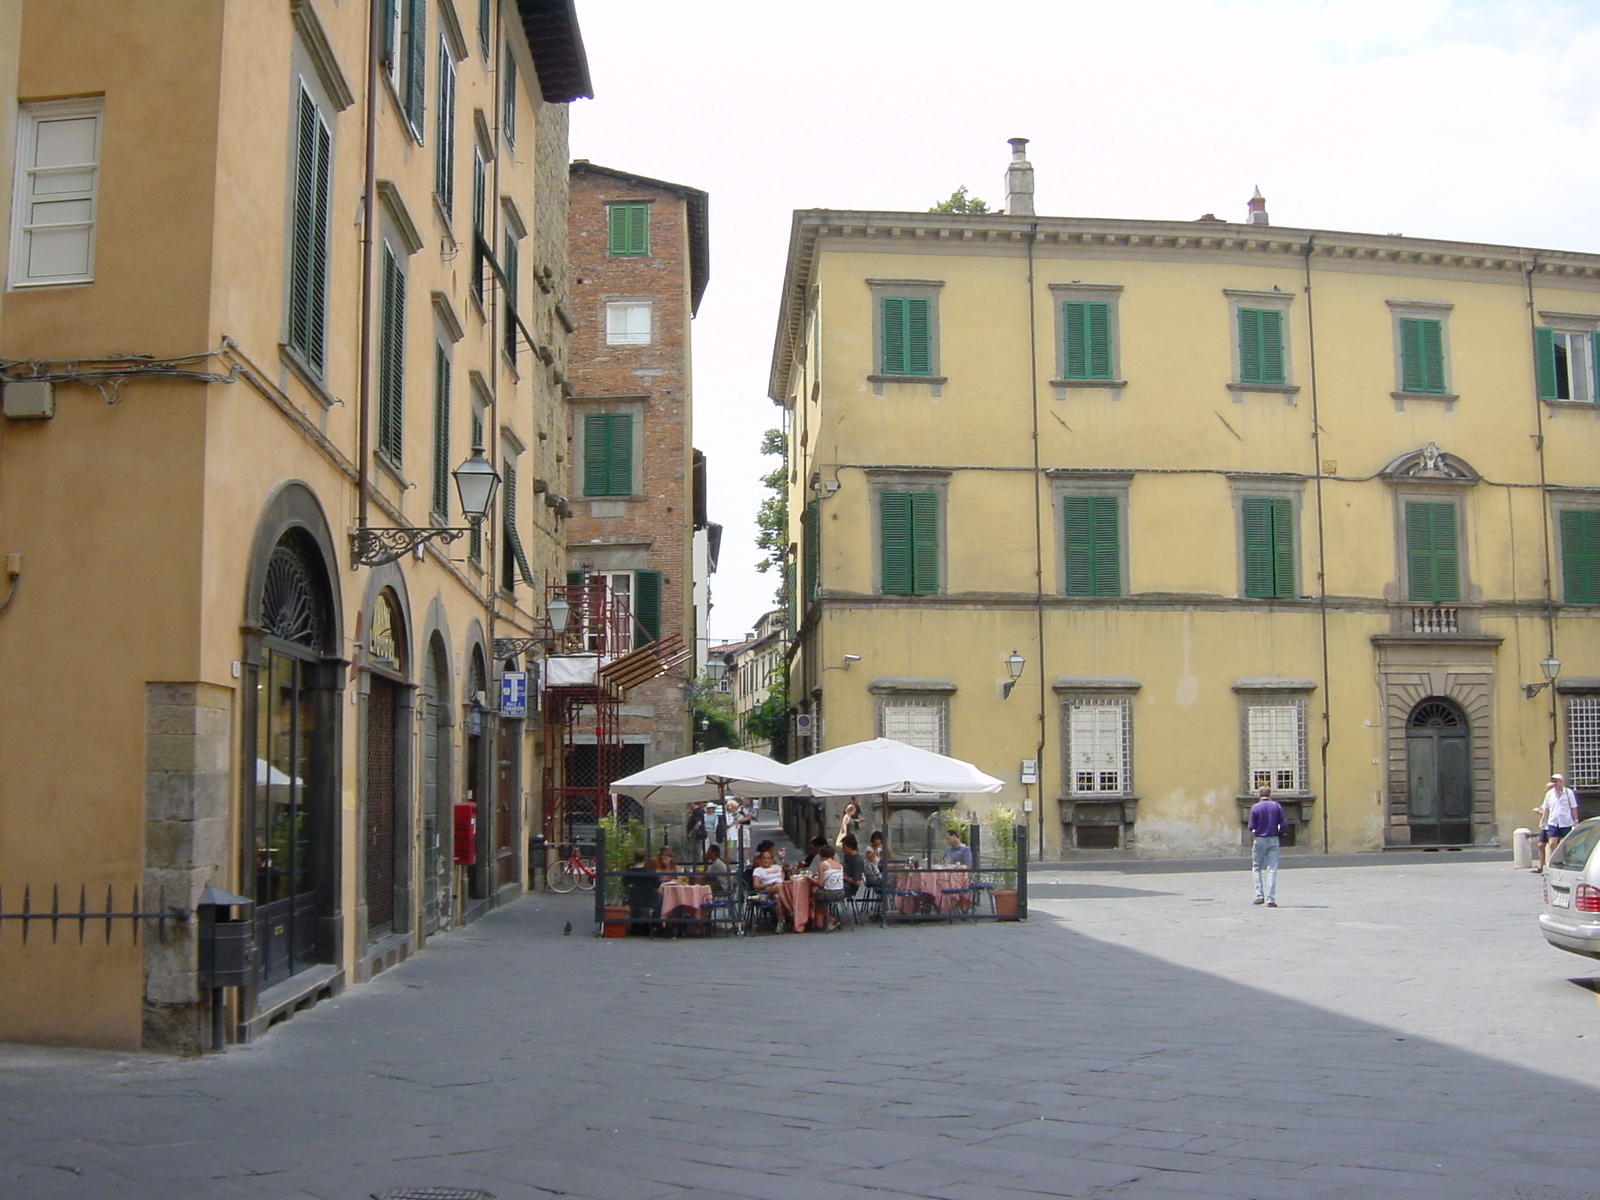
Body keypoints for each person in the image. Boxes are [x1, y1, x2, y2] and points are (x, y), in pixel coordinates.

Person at [1248, 786, 1288, 906]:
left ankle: (1259, 895)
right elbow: (1283, 823)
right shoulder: (1276, 806)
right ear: (1270, 794)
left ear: (1259, 795)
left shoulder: (1255, 807)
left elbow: (1251, 826)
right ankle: (1271, 898)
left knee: (1256, 868)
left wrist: (1256, 831)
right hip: (1273, 838)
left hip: (1260, 838)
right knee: (1272, 869)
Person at [1536, 773, 1579, 873]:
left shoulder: (1568, 793)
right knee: (1552, 843)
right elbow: (1546, 809)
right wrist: (1542, 820)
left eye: (1556, 781)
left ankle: (1565, 861)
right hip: (1553, 822)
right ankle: (1553, 862)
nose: (1554, 784)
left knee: (1566, 843)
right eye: (1552, 781)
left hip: (1565, 821)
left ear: (1561, 782)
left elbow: (1573, 807)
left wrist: (1576, 820)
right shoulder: (1549, 794)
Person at [620, 850, 661, 934]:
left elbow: (624, 885)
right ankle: (655, 925)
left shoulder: (628, 872)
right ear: (645, 859)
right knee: (662, 899)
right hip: (650, 899)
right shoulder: (650, 873)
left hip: (633, 899)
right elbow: (657, 886)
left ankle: (634, 926)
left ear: (634, 858)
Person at [808, 843, 846, 931]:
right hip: (840, 893)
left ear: (821, 855)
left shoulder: (822, 864)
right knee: (818, 895)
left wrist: (810, 880)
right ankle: (822, 922)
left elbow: (820, 883)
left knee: (814, 894)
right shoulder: (839, 865)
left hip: (829, 893)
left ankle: (823, 920)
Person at [839, 833, 865, 898]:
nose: (842, 849)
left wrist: (846, 878)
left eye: (844, 847)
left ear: (850, 847)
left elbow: (858, 882)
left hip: (849, 888)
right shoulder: (847, 857)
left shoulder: (857, 861)